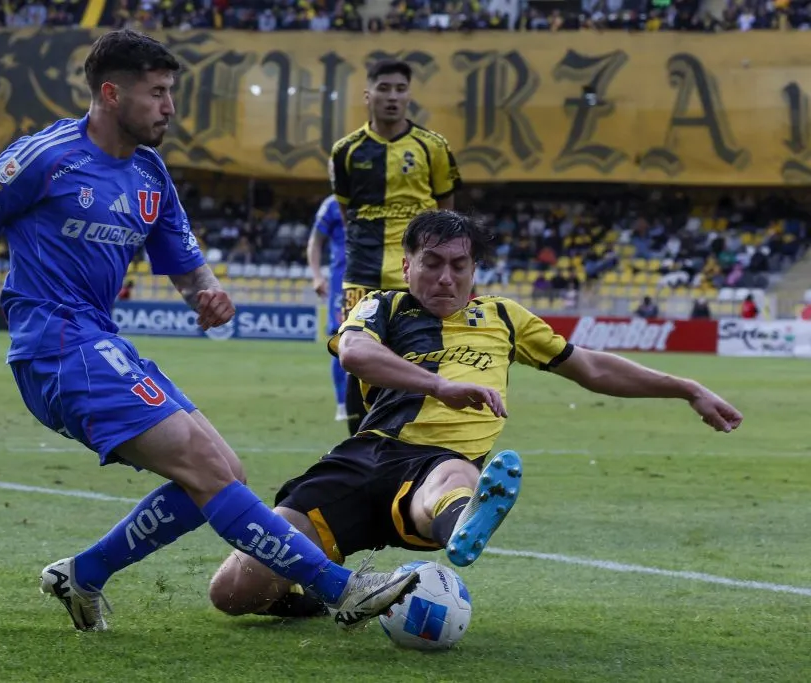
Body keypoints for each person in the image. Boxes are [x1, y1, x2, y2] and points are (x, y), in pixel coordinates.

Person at [0, 28, 420, 633]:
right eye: (157, 93)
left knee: (224, 474)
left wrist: (206, 295)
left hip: (99, 341)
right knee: (206, 466)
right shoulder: (46, 157)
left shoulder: (150, 175)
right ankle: (341, 589)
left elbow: (187, 266)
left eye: (170, 92)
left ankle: (84, 574)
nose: (169, 107)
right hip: (55, 346)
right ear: (110, 94)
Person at [208, 209, 743, 618]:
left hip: (441, 462)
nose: (445, 278)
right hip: (361, 457)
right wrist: (440, 384)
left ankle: (464, 521)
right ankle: (310, 594)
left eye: (459, 266)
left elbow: (593, 369)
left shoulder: (506, 318)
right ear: (407, 264)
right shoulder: (381, 306)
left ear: (474, 269)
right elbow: (354, 353)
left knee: (455, 477)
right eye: (433, 264)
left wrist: (685, 387)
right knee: (230, 594)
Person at [331, 58, 462, 437]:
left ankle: (418, 440)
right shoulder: (346, 151)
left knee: (422, 352)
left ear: (409, 95)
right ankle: (359, 440)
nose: (392, 97)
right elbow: (347, 213)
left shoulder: (432, 146)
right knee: (353, 353)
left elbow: (446, 214)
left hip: (417, 272)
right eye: (384, 88)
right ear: (368, 95)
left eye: (400, 89)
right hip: (363, 269)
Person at [307, 194, 347, 421]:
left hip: (377, 280)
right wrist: (316, 275)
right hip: (342, 284)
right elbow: (315, 241)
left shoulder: (379, 197)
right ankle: (342, 403)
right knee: (341, 341)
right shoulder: (331, 204)